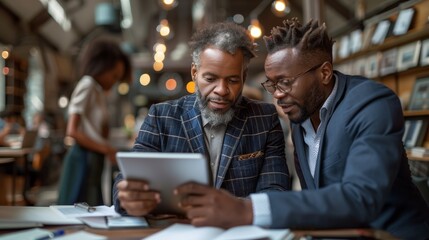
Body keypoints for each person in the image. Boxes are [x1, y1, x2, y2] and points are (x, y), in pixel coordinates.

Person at [173, 18, 429, 239]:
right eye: (272, 85)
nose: (279, 95)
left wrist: (246, 209)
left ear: (325, 73)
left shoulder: (371, 103)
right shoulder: (301, 112)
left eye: (285, 83)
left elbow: (360, 198)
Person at [113, 22, 290, 216]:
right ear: (194, 73)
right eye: (210, 79)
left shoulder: (264, 119)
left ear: (244, 76)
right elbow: (127, 179)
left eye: (232, 80)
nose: (221, 90)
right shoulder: (161, 116)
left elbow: (276, 192)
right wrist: (127, 198)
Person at [57, 37, 131, 206]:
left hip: (93, 157)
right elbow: (72, 131)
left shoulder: (99, 92)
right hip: (82, 158)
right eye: (113, 76)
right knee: (76, 207)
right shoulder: (87, 84)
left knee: (92, 205)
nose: (114, 82)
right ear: (101, 67)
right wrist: (106, 148)